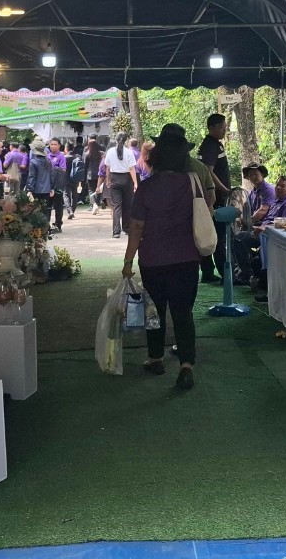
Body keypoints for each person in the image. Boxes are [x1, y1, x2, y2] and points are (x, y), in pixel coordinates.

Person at [122, 124, 210, 391]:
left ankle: (156, 358)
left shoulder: (146, 188)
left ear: (156, 156)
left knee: (155, 311)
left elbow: (137, 227)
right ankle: (186, 366)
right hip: (187, 257)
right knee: (183, 312)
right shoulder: (192, 184)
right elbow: (205, 211)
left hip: (153, 259)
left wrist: (128, 261)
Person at [196, 113, 232, 283]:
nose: (224, 130)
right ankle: (225, 275)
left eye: (225, 127)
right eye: (221, 127)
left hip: (214, 197)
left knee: (210, 234)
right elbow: (209, 171)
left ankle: (208, 272)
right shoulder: (210, 146)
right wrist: (225, 190)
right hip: (215, 198)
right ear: (211, 128)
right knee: (218, 237)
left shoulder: (213, 144)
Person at [105, 135, 139, 239]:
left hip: (114, 179)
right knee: (127, 205)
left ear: (116, 139)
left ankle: (116, 231)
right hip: (127, 179)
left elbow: (108, 167)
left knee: (116, 206)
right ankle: (127, 228)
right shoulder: (129, 152)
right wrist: (135, 182)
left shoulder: (110, 151)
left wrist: (108, 179)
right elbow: (132, 168)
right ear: (125, 141)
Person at [25, 139, 54, 210]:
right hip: (47, 189)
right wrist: (52, 188)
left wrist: (29, 189)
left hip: (36, 190)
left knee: (36, 210)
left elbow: (32, 176)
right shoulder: (48, 161)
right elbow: (51, 175)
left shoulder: (33, 162)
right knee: (45, 209)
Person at [47, 137, 68, 232]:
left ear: (59, 146)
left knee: (58, 206)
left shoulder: (61, 157)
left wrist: (54, 169)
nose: (53, 146)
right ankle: (46, 225)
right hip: (48, 185)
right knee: (47, 206)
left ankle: (58, 224)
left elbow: (63, 170)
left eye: (55, 144)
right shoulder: (47, 156)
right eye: (51, 144)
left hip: (58, 185)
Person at [68, 143, 88, 216]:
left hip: (66, 178)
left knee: (66, 195)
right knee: (75, 195)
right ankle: (72, 210)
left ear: (66, 149)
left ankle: (70, 210)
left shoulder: (64, 157)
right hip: (76, 178)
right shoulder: (78, 157)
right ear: (73, 149)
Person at [84, 136, 103, 205]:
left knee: (91, 190)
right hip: (99, 174)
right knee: (99, 188)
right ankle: (99, 202)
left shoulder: (87, 154)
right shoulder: (101, 153)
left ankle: (94, 204)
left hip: (90, 174)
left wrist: (84, 176)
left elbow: (85, 165)